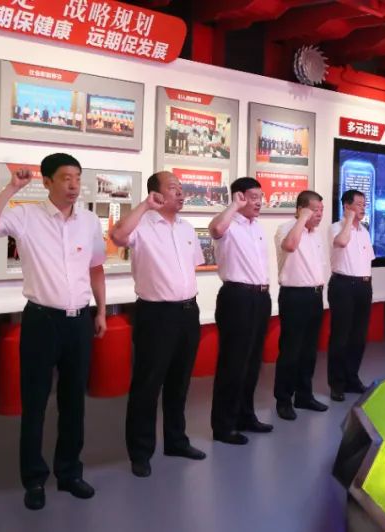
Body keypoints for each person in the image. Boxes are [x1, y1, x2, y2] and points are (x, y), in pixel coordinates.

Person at [0, 153, 107, 510]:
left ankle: (70, 472)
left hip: (79, 321)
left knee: (74, 402)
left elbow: (96, 268)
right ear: (47, 182)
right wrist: (12, 188)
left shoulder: (89, 221)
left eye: (77, 177)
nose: (73, 185)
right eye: (65, 178)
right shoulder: (26, 216)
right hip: (41, 321)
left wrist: (101, 311)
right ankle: (34, 479)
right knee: (34, 403)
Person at [108, 171, 207, 478]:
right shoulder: (142, 225)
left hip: (188, 312)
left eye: (181, 187)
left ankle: (176, 441)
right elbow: (118, 237)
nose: (180, 192)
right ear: (156, 193)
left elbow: (191, 267)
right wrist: (144, 206)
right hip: (156, 315)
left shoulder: (187, 228)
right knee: (147, 385)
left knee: (180, 382)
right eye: (173, 187)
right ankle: (141, 451)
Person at [209, 177, 273, 445]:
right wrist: (234, 206)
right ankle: (224, 426)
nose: (259, 202)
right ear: (239, 197)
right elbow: (215, 229)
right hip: (237, 297)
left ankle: (246, 416)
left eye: (260, 197)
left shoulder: (256, 226)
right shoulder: (228, 224)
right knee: (233, 363)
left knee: (253, 361)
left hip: (260, 297)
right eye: (253, 197)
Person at [273, 190, 329, 420]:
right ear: (300, 209)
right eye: (315, 210)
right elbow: (289, 245)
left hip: (315, 296)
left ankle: (304, 395)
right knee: (291, 351)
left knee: (309, 351)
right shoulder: (286, 228)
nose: (319, 214)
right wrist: (302, 220)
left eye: (321, 210)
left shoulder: (316, 235)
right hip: (294, 296)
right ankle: (283, 400)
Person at [328, 190, 376, 402]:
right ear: (347, 206)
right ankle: (337, 384)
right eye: (358, 204)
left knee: (358, 336)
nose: (363, 208)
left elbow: (367, 260)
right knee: (341, 336)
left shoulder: (364, 231)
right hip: (343, 285)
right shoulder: (335, 228)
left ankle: (352, 378)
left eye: (364, 204)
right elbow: (341, 242)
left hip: (363, 286)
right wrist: (349, 220)